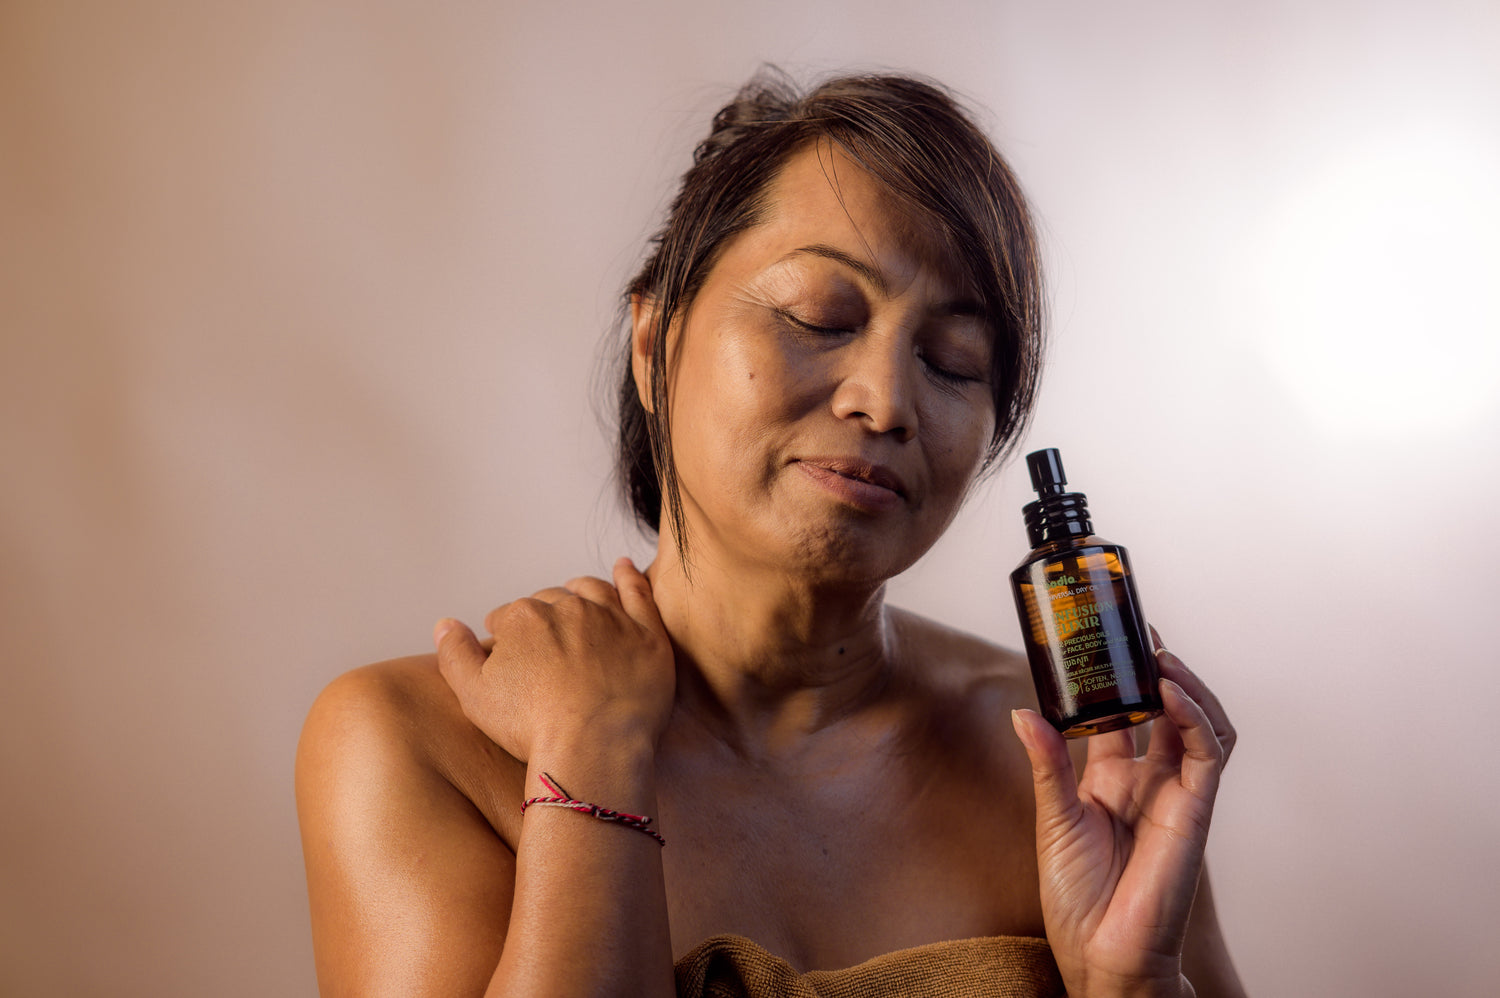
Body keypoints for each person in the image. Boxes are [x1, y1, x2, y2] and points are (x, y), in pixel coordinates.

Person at [295, 71, 1244, 998]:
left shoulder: (1074, 763)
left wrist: (1131, 984)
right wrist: (590, 762)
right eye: (819, 317)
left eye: (954, 362)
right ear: (654, 344)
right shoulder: (419, 743)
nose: (885, 401)